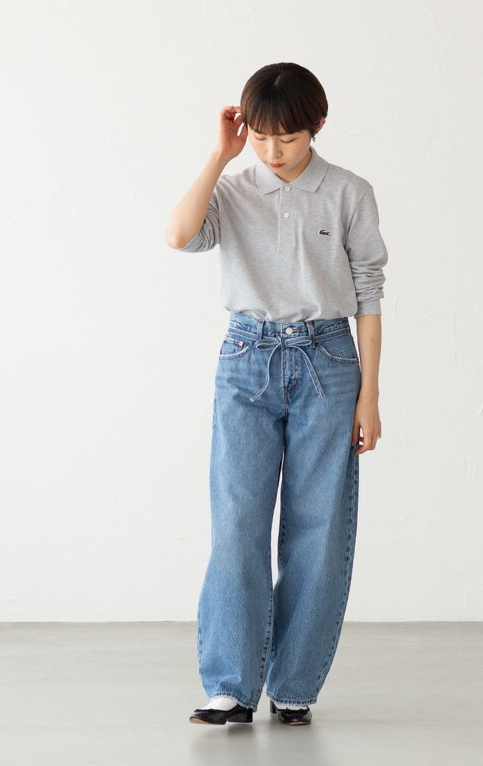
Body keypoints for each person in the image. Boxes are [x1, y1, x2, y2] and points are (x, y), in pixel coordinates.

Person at [166, 62, 388, 726]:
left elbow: (369, 295)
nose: (271, 150)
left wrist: (370, 396)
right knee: (237, 523)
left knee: (318, 530)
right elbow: (179, 236)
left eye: (286, 138)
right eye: (260, 137)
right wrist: (220, 155)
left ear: (316, 126)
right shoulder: (233, 189)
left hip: (329, 360)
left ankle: (294, 688)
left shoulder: (348, 192)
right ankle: (230, 687)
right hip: (247, 358)